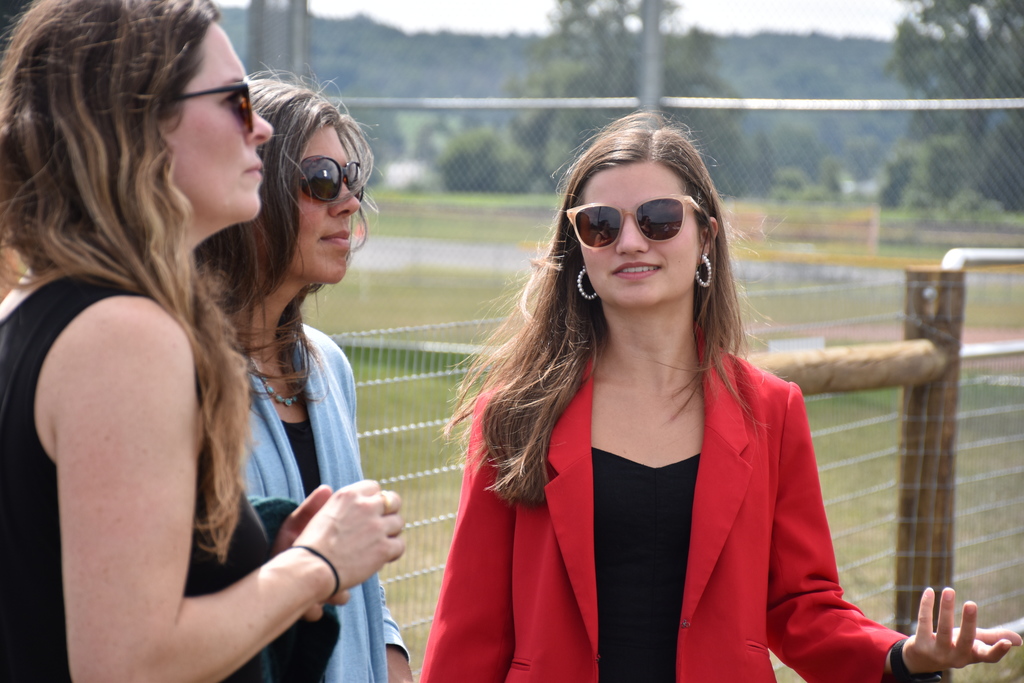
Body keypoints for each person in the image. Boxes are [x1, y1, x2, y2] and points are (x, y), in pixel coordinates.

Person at [419, 112, 1022, 682]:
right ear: (578, 246)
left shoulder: (771, 411)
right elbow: (471, 630)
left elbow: (801, 606)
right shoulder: (516, 414)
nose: (630, 241)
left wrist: (900, 656)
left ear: (706, 235)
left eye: (658, 219)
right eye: (601, 224)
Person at [0, 2, 404, 682]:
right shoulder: (124, 335)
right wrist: (319, 565)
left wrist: (255, 552)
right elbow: (129, 662)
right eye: (236, 103)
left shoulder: (40, 305)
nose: (263, 127)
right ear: (139, 123)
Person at [196, 77, 413, 683]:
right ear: (246, 184)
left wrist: (392, 660)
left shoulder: (326, 364)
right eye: (320, 181)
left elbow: (358, 577)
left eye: (353, 182)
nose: (348, 203)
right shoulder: (184, 374)